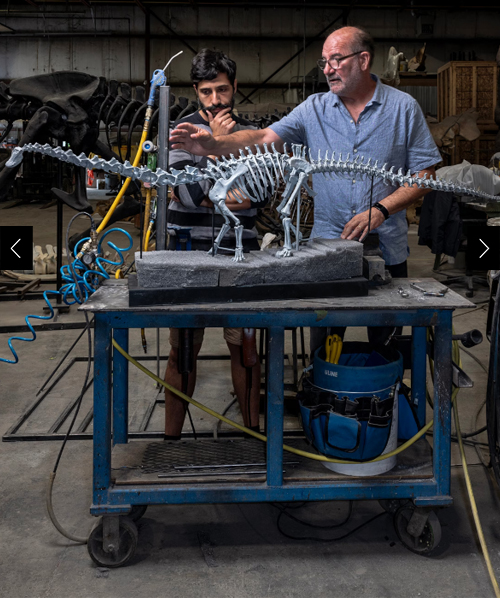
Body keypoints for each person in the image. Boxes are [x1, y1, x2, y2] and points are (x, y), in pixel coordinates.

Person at [170, 27, 443, 351]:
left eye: (336, 60)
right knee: (325, 345)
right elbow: (262, 138)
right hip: (327, 246)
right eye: (324, 61)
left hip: (388, 246)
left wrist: (382, 209)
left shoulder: (404, 108)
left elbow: (425, 174)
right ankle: (325, 398)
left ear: (364, 60)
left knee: (387, 343)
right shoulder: (313, 108)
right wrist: (215, 144)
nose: (326, 69)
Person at [164, 49, 265, 439]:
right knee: (181, 349)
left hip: (242, 258)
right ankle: (171, 440)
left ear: (235, 87)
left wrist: (202, 186)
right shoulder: (179, 133)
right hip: (187, 255)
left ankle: (253, 436)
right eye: (206, 92)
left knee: (245, 349)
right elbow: (187, 195)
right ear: (196, 90)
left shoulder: (253, 134)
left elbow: (255, 195)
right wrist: (216, 146)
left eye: (222, 90)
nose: (215, 100)